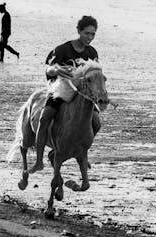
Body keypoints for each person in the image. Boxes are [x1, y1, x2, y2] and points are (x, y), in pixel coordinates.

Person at [29, 15, 102, 174]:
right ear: (79, 31)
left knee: (96, 123)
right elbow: (48, 69)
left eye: (93, 34)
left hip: (83, 95)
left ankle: (81, 151)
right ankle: (39, 161)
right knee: (45, 118)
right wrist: (56, 69)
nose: (89, 37)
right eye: (86, 33)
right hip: (61, 89)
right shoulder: (62, 49)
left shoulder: (92, 52)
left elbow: (94, 75)